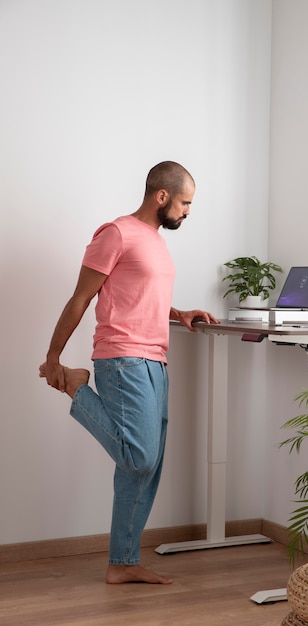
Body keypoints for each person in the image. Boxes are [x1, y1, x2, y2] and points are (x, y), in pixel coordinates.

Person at [39, 161, 219, 585]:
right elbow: (81, 298)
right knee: (140, 456)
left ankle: (122, 562)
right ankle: (77, 388)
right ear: (162, 196)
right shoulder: (116, 233)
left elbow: (142, 296)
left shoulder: (155, 241)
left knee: (143, 467)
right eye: (185, 203)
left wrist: (179, 312)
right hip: (122, 359)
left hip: (155, 360)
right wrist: (54, 358)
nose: (188, 211)